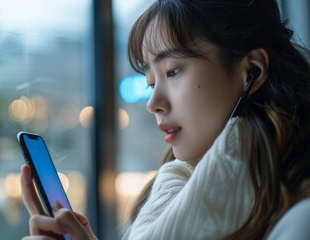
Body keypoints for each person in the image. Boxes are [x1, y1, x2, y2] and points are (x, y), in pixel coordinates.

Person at [20, 0, 310, 239]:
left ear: (252, 71)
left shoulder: (299, 221)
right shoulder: (171, 194)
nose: (152, 103)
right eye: (150, 82)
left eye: (172, 72)